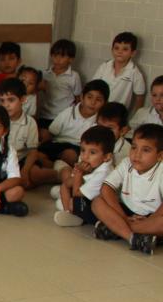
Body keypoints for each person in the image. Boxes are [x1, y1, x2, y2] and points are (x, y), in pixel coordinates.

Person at [92, 123, 163, 255]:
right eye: (134, 147)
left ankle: (115, 229)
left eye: (146, 150)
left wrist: (149, 220)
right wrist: (123, 217)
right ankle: (132, 237)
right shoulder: (126, 163)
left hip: (152, 215)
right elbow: (106, 188)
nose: (137, 154)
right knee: (97, 202)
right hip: (126, 211)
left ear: (160, 156)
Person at [27, 79, 109, 187]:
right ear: (82, 97)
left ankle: (59, 174)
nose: (93, 102)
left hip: (77, 148)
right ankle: (59, 174)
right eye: (89, 97)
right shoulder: (69, 112)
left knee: (69, 155)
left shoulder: (100, 121)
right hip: (58, 143)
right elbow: (51, 132)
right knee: (38, 155)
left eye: (98, 100)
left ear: (105, 103)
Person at [52, 126, 115, 227]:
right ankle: (68, 213)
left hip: (99, 208)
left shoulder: (104, 173)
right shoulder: (88, 162)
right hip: (84, 196)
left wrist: (79, 173)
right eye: (83, 150)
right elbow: (67, 183)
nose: (85, 156)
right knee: (63, 188)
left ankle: (78, 216)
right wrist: (79, 174)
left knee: (73, 201)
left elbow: (77, 194)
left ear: (107, 157)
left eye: (92, 152)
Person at [93, 31, 146, 112]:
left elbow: (140, 97)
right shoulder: (104, 66)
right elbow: (93, 86)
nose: (119, 51)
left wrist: (137, 117)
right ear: (112, 50)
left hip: (118, 114)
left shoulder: (135, 72)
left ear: (133, 53)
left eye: (125, 49)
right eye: (116, 48)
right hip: (99, 110)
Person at [0, 78, 39, 172]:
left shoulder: (30, 122)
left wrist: (25, 171)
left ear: (23, 99)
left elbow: (32, 151)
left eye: (11, 100)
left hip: (19, 161)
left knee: (35, 172)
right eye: (2, 101)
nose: (6, 105)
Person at [40, 38, 83, 129]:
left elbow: (78, 97)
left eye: (62, 56)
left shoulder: (74, 76)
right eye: (55, 56)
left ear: (71, 59)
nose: (57, 60)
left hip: (64, 116)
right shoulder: (45, 74)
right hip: (45, 114)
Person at [96, 102, 130, 167]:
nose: (102, 132)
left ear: (122, 131)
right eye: (99, 126)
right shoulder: (90, 139)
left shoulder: (127, 154)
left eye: (109, 128)